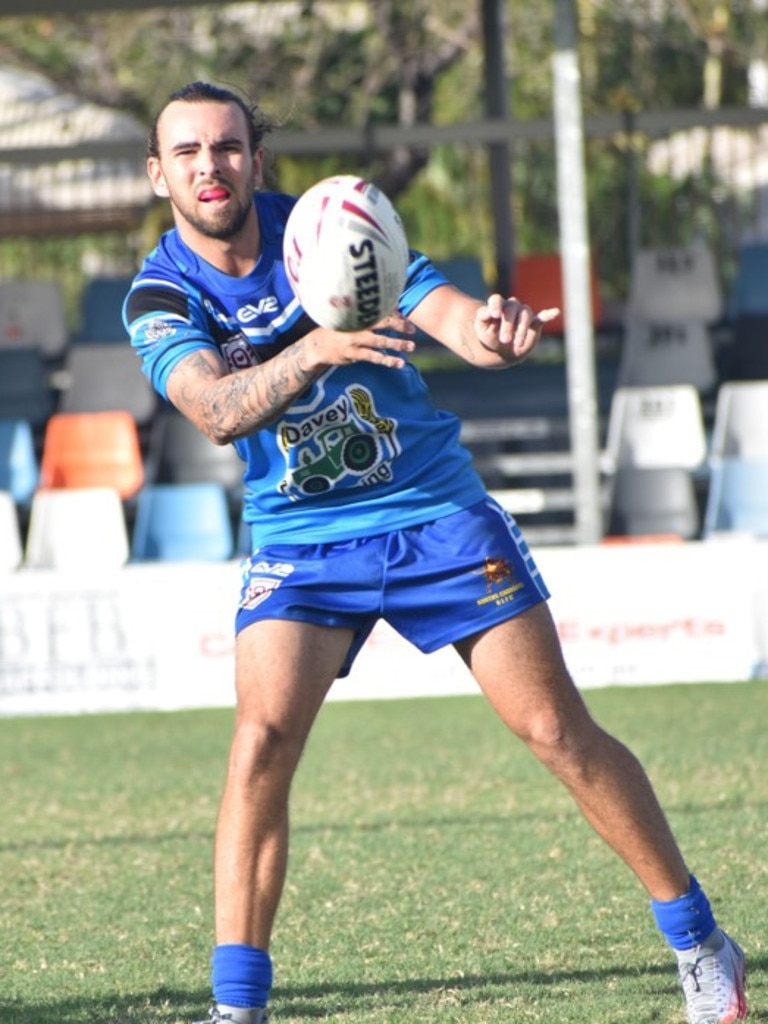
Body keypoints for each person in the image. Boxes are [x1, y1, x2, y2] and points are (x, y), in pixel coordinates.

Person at [124, 81, 747, 1024]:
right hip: (303, 537)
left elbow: (446, 311)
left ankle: (701, 942)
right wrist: (316, 351)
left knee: (556, 733)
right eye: (187, 152)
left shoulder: (337, 221)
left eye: (226, 147)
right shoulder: (161, 291)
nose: (209, 166)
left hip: (432, 512)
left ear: (256, 157)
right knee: (258, 747)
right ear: (158, 173)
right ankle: (237, 1007)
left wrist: (488, 335)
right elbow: (213, 410)